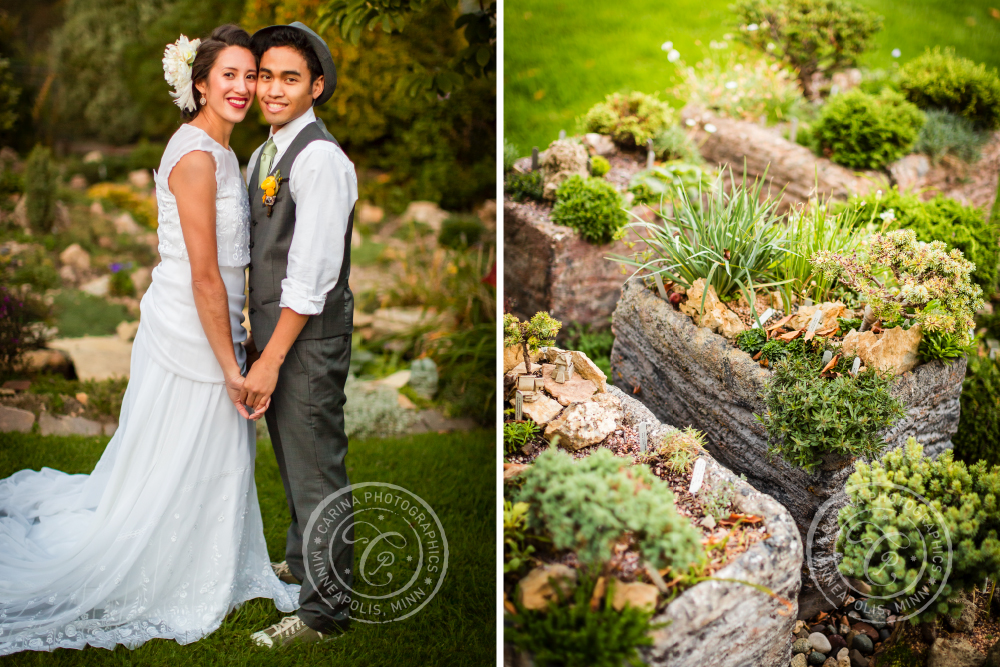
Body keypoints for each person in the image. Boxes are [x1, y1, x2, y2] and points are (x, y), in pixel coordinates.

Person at [0, 25, 299, 655]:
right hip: (194, 324)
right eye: (231, 76)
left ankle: (202, 555)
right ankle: (175, 566)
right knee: (191, 441)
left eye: (252, 76)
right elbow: (202, 274)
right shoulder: (195, 157)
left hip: (209, 317)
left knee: (199, 449)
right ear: (200, 84)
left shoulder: (222, 152)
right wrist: (232, 364)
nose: (245, 88)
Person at [238, 22, 359, 649]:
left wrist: (270, 358)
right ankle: (302, 558)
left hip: (305, 339)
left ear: (316, 86)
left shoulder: (320, 160)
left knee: (315, 467)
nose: (272, 89)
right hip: (278, 334)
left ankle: (326, 614)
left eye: (289, 78)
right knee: (293, 456)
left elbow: (312, 276)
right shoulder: (268, 152)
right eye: (265, 75)